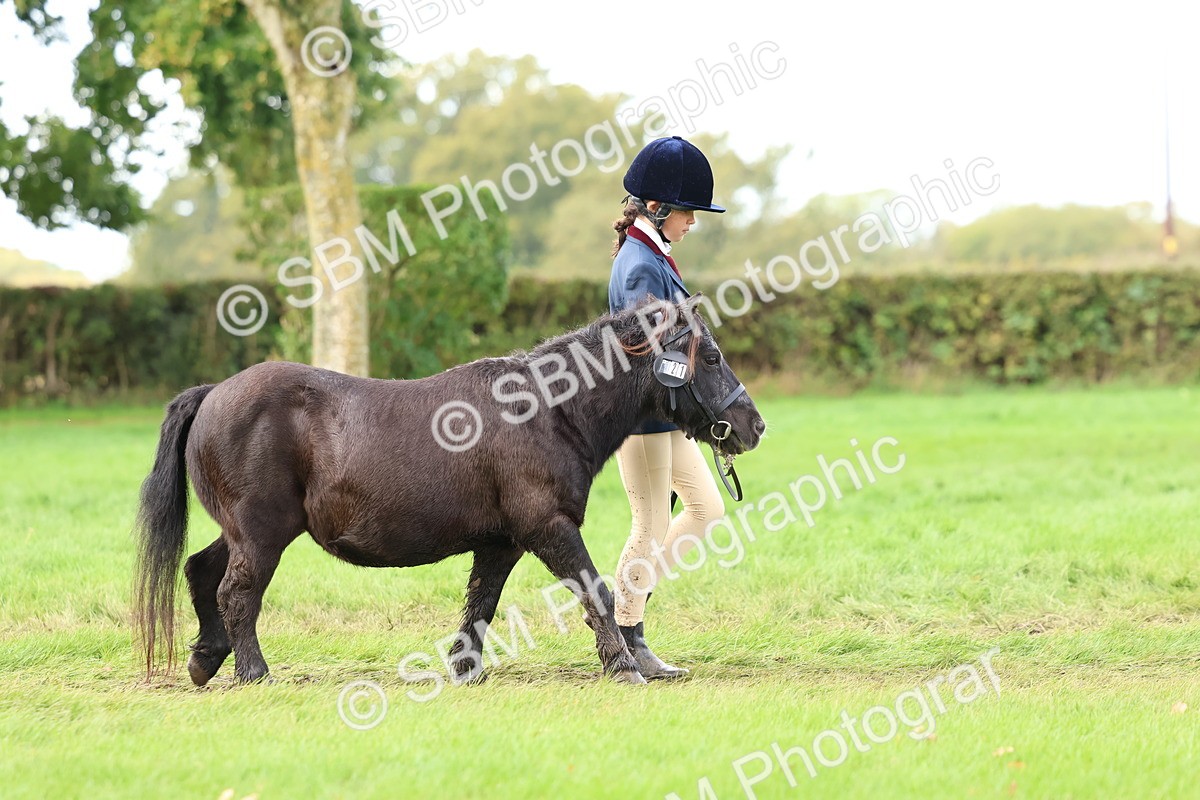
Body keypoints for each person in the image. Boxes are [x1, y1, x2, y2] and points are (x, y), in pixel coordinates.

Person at [606, 135, 727, 680]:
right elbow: (642, 353)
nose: (693, 221)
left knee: (706, 510)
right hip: (643, 419)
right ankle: (626, 635)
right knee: (651, 524)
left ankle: (628, 606)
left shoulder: (653, 255)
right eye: (688, 211)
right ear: (657, 208)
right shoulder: (639, 266)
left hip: (667, 416)